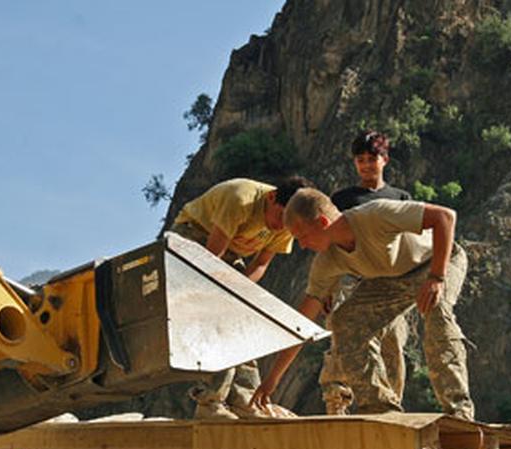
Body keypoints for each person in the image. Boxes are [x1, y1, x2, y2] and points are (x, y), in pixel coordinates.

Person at [249, 188, 475, 420]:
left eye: (302, 237)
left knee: (437, 311)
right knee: (343, 320)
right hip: (391, 280)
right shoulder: (326, 262)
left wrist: (436, 277)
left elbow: (445, 217)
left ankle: (459, 410)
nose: (303, 246)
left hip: (436, 262)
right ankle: (379, 407)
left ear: (323, 222)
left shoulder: (375, 215)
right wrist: (272, 379)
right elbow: (303, 322)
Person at [172, 176, 313, 419]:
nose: (282, 226)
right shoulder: (240, 199)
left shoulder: (289, 221)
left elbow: (260, 264)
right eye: (279, 217)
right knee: (220, 313)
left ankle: (244, 396)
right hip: (194, 238)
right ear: (271, 198)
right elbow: (211, 257)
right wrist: (223, 297)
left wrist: (241, 292)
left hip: (230, 254)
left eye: (288, 223)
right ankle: (210, 401)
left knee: (244, 314)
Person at [330, 130, 412, 400]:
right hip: (352, 278)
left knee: (394, 344)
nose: (366, 164)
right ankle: (338, 399)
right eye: (360, 159)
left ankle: (392, 404)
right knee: (344, 336)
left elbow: (410, 242)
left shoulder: (401, 198)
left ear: (385, 159)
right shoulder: (342, 200)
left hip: (392, 281)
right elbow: (329, 244)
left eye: (372, 158)